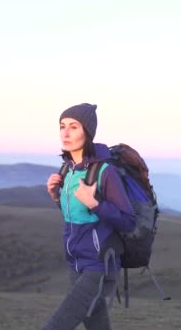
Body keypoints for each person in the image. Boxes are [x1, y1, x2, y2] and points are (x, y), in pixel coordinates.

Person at [43, 103, 137, 330]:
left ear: (87, 132)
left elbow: (128, 221)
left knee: (57, 325)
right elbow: (76, 217)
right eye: (62, 126)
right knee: (97, 325)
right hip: (75, 262)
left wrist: (95, 203)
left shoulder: (105, 172)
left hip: (99, 262)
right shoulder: (67, 170)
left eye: (73, 127)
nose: (65, 133)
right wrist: (56, 197)